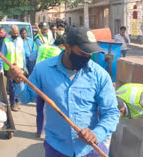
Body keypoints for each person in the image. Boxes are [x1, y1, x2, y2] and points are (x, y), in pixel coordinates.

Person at [9, 27, 120, 157]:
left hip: (90, 148)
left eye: (90, 53)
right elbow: (25, 97)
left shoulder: (100, 75)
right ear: (67, 48)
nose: (87, 57)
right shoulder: (43, 70)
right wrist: (17, 81)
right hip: (57, 148)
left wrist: (97, 134)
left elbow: (111, 113)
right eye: (84, 52)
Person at [29, 36, 66, 137]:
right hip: (51, 82)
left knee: (40, 108)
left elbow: (31, 57)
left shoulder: (42, 47)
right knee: (50, 108)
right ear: (62, 45)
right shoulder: (59, 53)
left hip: (38, 80)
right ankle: (49, 132)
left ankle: (39, 131)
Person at [0, 25, 26, 112]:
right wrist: (1, 67)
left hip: (19, 67)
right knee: (11, 86)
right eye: (14, 33)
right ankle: (12, 103)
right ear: (11, 32)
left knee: (18, 85)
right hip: (9, 68)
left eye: (17, 33)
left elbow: (23, 54)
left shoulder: (20, 41)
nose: (16, 34)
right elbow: (2, 55)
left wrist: (24, 67)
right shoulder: (6, 41)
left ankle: (17, 101)